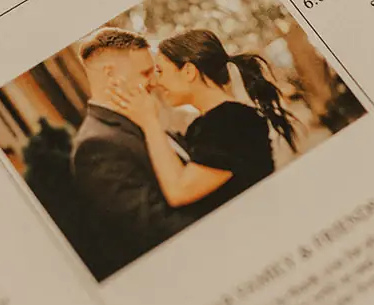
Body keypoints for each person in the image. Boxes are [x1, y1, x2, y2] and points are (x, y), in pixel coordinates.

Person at [108, 29, 296, 219]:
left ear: (189, 72)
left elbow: (178, 192)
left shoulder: (231, 121)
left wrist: (149, 120)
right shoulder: (211, 122)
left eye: (160, 71)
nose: (155, 82)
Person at [69, 28, 192, 280]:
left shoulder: (142, 116)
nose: (154, 81)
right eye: (145, 72)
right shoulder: (95, 146)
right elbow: (155, 228)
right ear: (110, 74)